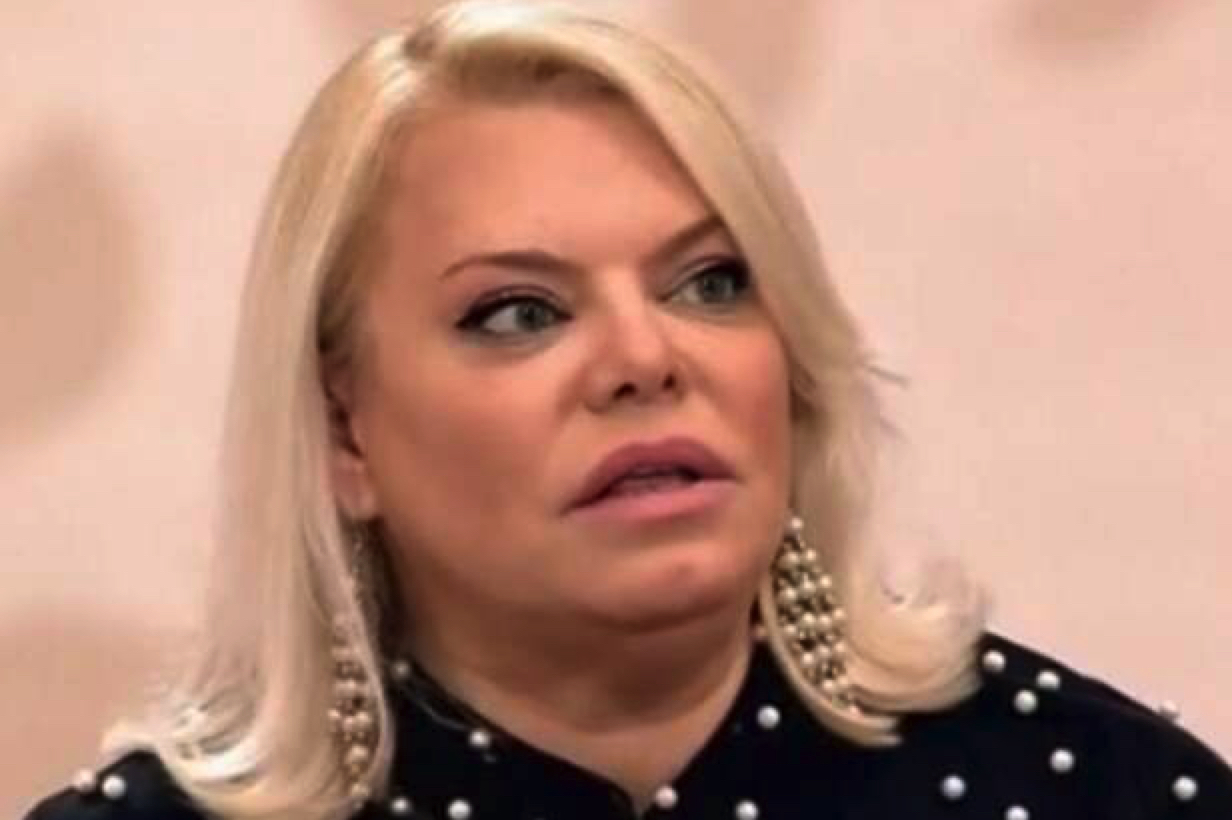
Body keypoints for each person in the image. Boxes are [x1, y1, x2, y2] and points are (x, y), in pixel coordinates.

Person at [23, 1, 1232, 818]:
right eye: (517, 311)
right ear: (344, 434)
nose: (645, 358)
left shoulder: (1097, 790)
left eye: (708, 283)